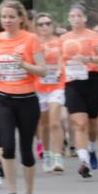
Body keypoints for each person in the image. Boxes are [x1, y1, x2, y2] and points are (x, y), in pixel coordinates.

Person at [0, 0, 47, 194]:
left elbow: (42, 70)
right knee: (6, 146)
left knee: (25, 149)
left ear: (21, 18)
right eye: (4, 17)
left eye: (12, 17)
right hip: (3, 98)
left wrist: (24, 65)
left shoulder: (31, 40)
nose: (7, 21)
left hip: (27, 100)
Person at [60, 2, 98, 177]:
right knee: (80, 123)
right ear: (69, 19)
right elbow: (59, 60)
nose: (76, 19)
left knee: (92, 125)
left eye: (79, 16)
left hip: (91, 81)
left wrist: (87, 59)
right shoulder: (63, 38)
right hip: (72, 83)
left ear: (85, 18)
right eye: (72, 16)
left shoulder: (93, 36)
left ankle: (91, 148)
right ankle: (83, 161)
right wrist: (57, 71)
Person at [34, 12, 66, 173]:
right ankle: (46, 153)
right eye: (41, 24)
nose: (45, 26)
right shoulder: (33, 43)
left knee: (55, 121)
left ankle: (57, 156)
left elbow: (62, 59)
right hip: (39, 88)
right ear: (36, 27)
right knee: (44, 124)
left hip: (56, 85)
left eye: (47, 23)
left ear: (52, 25)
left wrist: (60, 70)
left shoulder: (59, 42)